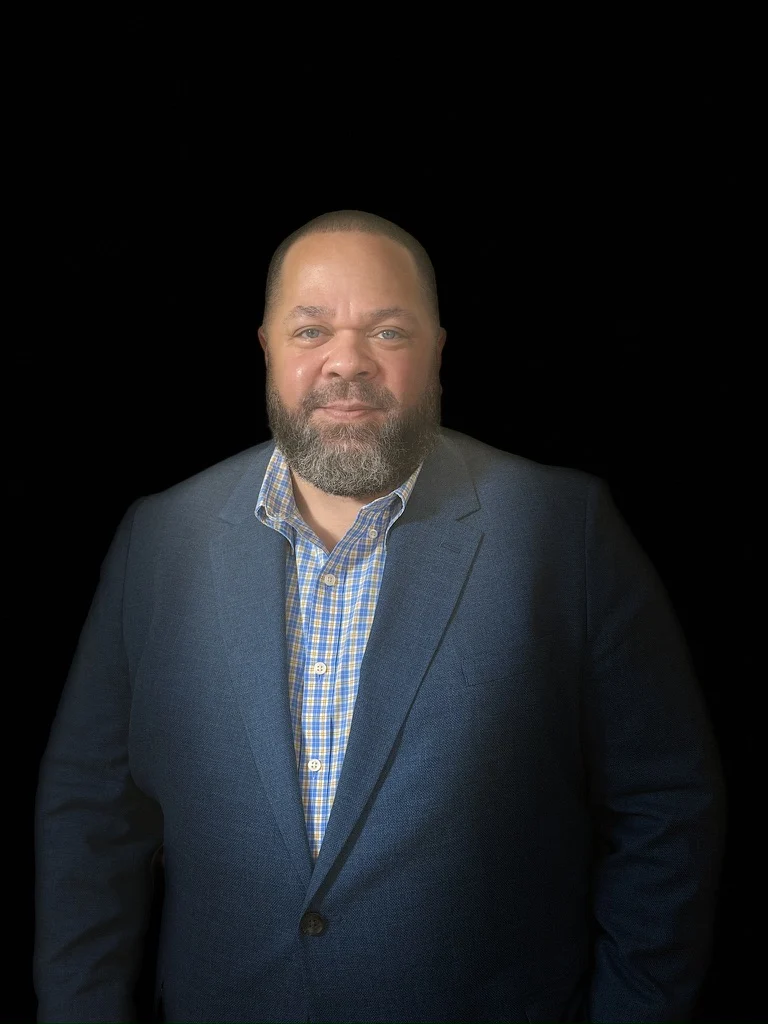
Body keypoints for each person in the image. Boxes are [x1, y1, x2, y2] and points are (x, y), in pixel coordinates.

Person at [33, 210, 727, 1023]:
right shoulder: (159, 538)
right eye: (311, 330)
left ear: (438, 349)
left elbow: (665, 805)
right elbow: (90, 812)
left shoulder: (561, 529)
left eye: (388, 332)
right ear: (266, 346)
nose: (347, 362)